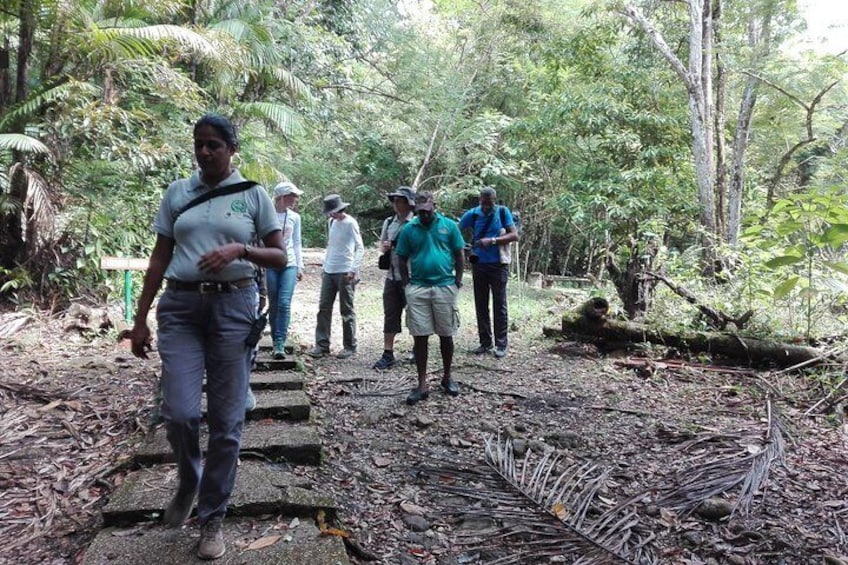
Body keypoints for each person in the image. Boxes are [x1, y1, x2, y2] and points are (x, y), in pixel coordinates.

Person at [128, 114, 286, 560]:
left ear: (232, 148)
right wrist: (140, 319)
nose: (204, 151)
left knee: (227, 423)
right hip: (180, 308)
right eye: (199, 144)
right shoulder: (177, 193)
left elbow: (278, 256)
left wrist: (242, 249)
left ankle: (211, 517)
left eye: (214, 144)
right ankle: (188, 477)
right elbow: (159, 257)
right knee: (178, 412)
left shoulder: (253, 195)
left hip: (234, 307)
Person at [395, 191, 465, 405]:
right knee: (420, 335)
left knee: (446, 334)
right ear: (416, 209)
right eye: (421, 211)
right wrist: (406, 284)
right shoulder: (409, 229)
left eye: (428, 211)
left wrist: (457, 281)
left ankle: (446, 377)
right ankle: (422, 383)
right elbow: (401, 256)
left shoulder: (449, 226)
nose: (425, 215)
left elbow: (459, 254)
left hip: (444, 285)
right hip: (418, 287)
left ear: (434, 206)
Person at [459, 186, 519, 359]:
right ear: (480, 200)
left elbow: (514, 236)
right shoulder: (473, 214)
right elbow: (456, 229)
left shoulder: (502, 212)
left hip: (498, 265)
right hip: (479, 265)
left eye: (489, 203)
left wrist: (492, 240)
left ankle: (501, 344)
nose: (486, 206)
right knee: (481, 304)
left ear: (494, 200)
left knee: (499, 304)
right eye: (484, 203)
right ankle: (485, 343)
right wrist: (465, 246)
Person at [307, 194, 364, 359]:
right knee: (324, 308)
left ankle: (349, 346)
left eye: (333, 211)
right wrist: (325, 266)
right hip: (329, 270)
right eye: (329, 212)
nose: (331, 215)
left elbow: (360, 248)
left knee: (346, 309)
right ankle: (322, 344)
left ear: (340, 209)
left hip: (345, 270)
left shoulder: (350, 223)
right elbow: (331, 246)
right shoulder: (331, 222)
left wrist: (354, 269)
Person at [372, 186, 416, 370]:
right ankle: (388, 353)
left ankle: (418, 349)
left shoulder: (416, 223)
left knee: (414, 314)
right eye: (395, 200)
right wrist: (387, 247)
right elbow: (382, 247)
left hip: (412, 276)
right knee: (390, 314)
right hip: (392, 275)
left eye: (400, 200)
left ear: (409, 203)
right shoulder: (389, 222)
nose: (396, 204)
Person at [267, 181, 304, 360]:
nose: (295, 199)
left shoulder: (294, 218)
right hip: (270, 263)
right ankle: (275, 340)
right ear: (282, 196)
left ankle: (280, 342)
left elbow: (297, 242)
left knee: (284, 302)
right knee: (273, 303)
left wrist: (300, 266)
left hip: (289, 263)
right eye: (292, 196)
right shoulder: (267, 215)